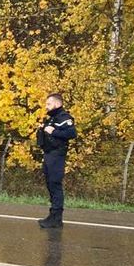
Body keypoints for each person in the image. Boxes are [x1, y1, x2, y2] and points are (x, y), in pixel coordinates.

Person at [36, 93, 77, 228]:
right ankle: (52, 215)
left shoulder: (64, 117)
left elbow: (72, 133)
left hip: (57, 155)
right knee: (50, 184)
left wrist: (53, 132)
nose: (46, 107)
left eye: (48, 104)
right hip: (49, 154)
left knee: (55, 184)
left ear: (57, 103)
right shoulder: (52, 118)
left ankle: (57, 218)